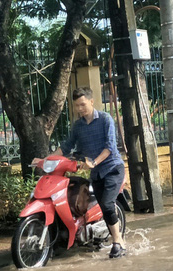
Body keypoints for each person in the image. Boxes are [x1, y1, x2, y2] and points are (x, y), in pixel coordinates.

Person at [33, 87, 126, 259]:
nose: (80, 109)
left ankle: (118, 241)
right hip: (96, 173)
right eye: (77, 106)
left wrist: (94, 162)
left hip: (112, 169)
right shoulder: (78, 126)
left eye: (83, 104)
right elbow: (67, 146)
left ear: (91, 102)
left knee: (106, 204)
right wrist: (44, 160)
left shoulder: (105, 119)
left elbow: (110, 148)